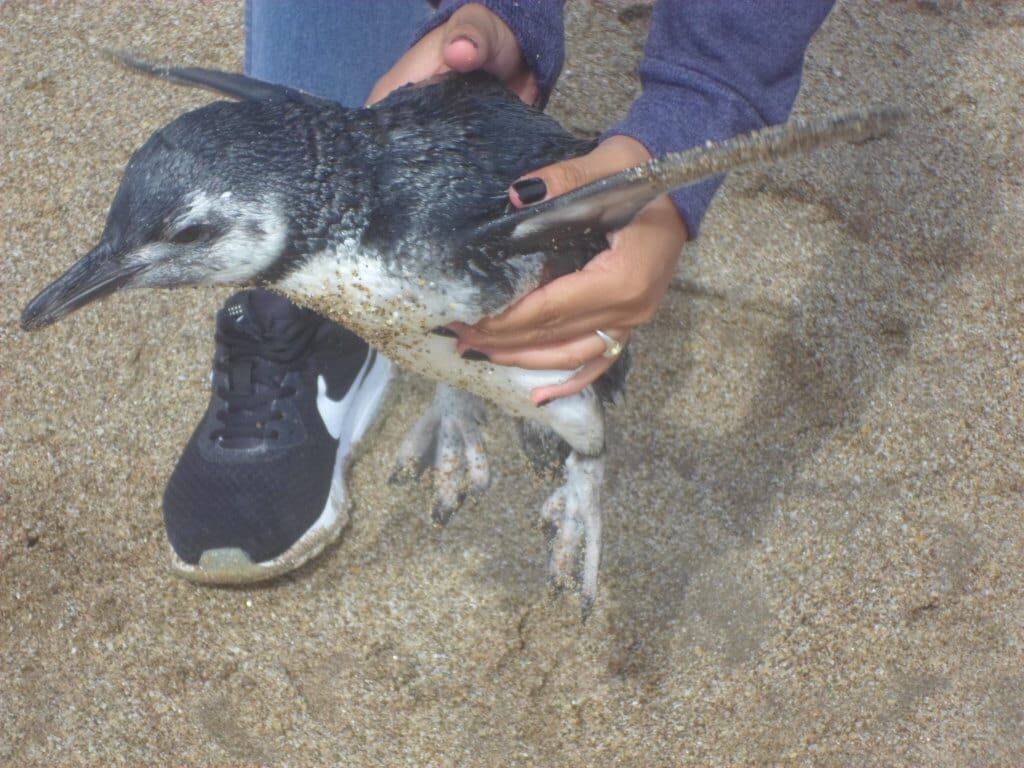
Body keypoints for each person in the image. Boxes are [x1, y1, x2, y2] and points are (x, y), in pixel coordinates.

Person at [162, 0, 834, 582]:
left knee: (477, 280)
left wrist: (690, 116)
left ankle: (574, 469)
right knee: (345, 191)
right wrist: (504, 12)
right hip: (396, 211)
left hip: (496, 230)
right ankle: (329, 319)